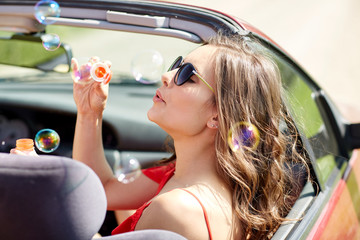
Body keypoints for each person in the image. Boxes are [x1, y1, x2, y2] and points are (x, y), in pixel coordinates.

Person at [72, 32, 309, 240]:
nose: (167, 75)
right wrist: (89, 112)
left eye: (187, 74)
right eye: (177, 65)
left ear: (218, 116)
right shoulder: (196, 179)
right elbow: (101, 189)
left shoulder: (174, 210)